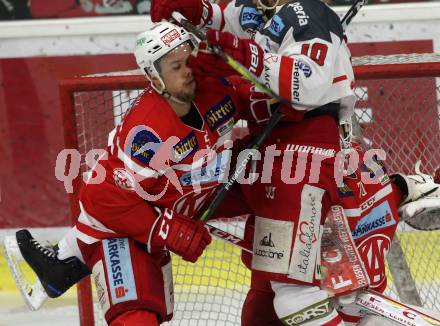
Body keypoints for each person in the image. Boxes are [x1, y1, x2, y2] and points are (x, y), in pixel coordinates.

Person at [151, 0, 440, 324]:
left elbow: (306, 83)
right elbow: (225, 20)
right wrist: (196, 11)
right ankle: (403, 191)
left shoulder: (305, 13)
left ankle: (404, 190)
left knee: (318, 292)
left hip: (310, 157)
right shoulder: (259, 13)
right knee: (268, 299)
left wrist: (240, 56)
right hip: (276, 155)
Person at [14, 21, 261, 325]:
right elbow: (102, 198)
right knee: (137, 316)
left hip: (162, 210)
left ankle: (62, 266)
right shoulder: (148, 132)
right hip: (119, 230)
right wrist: (165, 228)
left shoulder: (214, 91)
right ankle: (67, 259)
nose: (188, 71)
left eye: (190, 60)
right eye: (175, 66)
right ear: (155, 78)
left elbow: (256, 98)